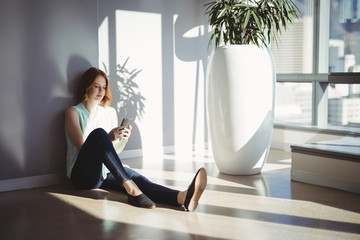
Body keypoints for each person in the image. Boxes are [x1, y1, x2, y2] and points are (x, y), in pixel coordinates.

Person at [65, 67, 207, 211]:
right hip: (83, 176)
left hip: (105, 174)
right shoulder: (73, 112)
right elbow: (84, 149)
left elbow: (114, 152)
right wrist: (107, 137)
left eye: (104, 87)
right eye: (97, 87)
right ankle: (130, 187)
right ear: (87, 86)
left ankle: (182, 197)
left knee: (141, 181)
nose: (101, 91)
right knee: (99, 134)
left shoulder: (109, 112)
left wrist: (122, 139)